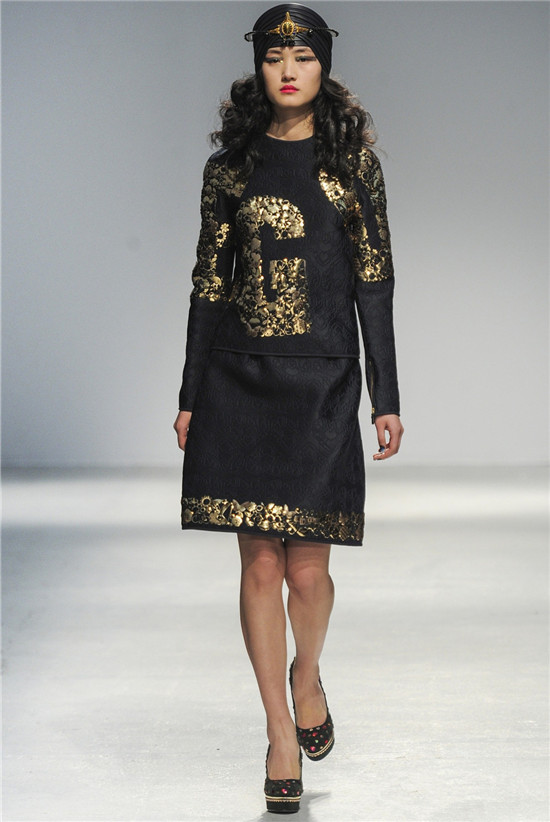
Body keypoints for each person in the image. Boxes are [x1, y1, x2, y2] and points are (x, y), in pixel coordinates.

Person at [173, 3, 404, 813]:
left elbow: (374, 280)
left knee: (309, 572)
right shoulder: (230, 169)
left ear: (323, 66)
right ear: (259, 69)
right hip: (239, 379)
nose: (288, 71)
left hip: (321, 383)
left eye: (302, 57)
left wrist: (386, 395)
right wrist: (190, 393)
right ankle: (278, 732)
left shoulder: (352, 165)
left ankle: (309, 674)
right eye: (275, 57)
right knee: (260, 565)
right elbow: (209, 283)